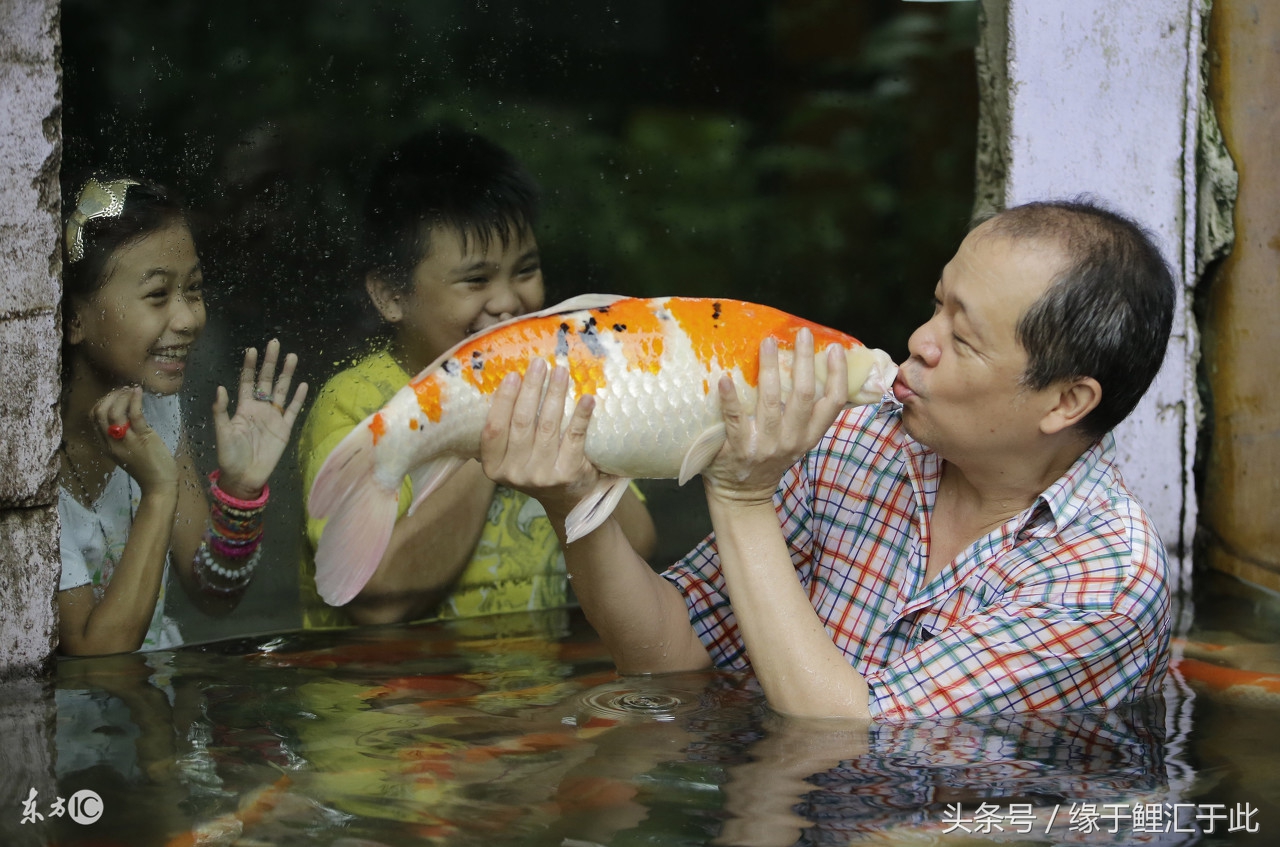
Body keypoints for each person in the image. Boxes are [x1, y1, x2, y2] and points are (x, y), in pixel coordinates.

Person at [479, 199, 1175, 721]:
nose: (918, 341)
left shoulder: (1106, 579)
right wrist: (572, 499)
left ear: (1066, 401)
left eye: (961, 339)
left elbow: (848, 738)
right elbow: (664, 657)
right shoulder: (859, 441)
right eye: (936, 305)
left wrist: (742, 496)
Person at [297, 125, 655, 627]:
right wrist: (486, 435)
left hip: (535, 697)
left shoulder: (560, 377)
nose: (508, 302)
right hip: (395, 704)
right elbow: (378, 600)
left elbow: (639, 543)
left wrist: (567, 471)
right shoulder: (357, 403)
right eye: (476, 280)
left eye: (525, 271)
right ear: (390, 296)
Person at [58, 176, 308, 656]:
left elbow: (212, 595)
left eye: (193, 289)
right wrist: (158, 490)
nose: (189, 318)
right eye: (157, 295)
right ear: (74, 317)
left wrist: (239, 495)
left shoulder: (154, 406)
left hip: (159, 707)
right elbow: (97, 657)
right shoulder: (28, 462)